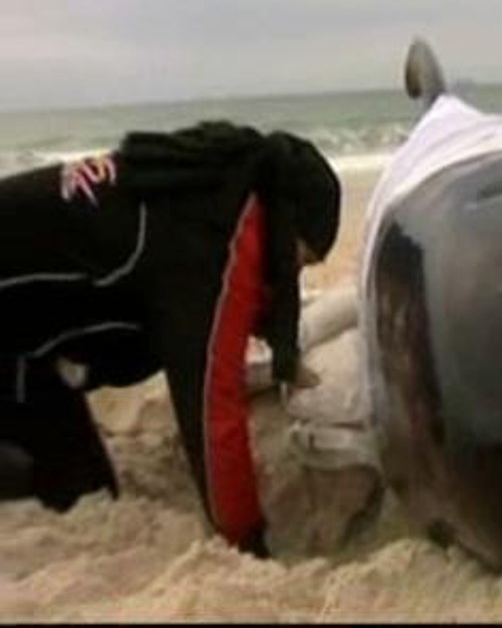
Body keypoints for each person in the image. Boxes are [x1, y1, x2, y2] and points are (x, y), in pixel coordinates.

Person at [0, 120, 341, 556]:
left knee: (83, 491)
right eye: (299, 259)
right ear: (283, 223)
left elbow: (227, 298)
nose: (292, 277)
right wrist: (247, 542)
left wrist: (282, 346)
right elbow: (211, 408)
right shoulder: (211, 243)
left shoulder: (200, 199)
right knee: (35, 486)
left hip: (30, 342)